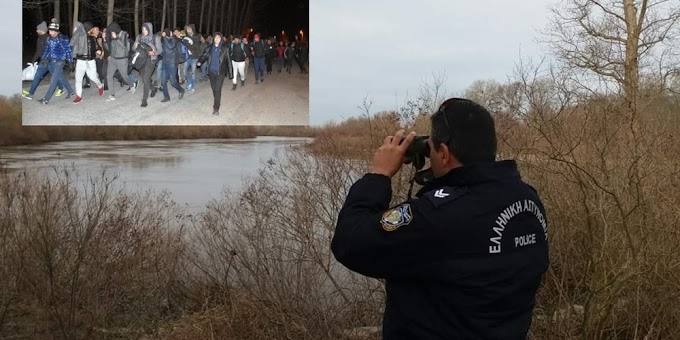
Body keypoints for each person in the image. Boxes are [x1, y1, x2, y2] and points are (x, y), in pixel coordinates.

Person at [332, 98, 549, 339]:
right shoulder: (527, 200)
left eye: (433, 148)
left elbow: (349, 242)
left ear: (444, 154)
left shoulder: (438, 215)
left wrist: (379, 174)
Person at [22, 20, 66, 100]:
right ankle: (30, 94)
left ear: (41, 30)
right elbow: (38, 51)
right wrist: (33, 61)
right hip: (43, 62)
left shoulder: (49, 38)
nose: (36, 31)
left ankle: (61, 88)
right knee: (37, 76)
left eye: (38, 29)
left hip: (50, 62)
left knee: (56, 76)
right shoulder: (39, 39)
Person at [37, 22, 75, 105]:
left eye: (51, 31)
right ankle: (71, 92)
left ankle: (46, 99)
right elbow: (48, 49)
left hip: (60, 61)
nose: (49, 32)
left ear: (55, 31)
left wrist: (70, 62)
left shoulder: (63, 39)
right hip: (52, 61)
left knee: (54, 80)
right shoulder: (50, 38)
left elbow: (68, 51)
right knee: (61, 77)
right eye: (49, 30)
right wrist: (44, 59)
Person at [197, 32, 233, 115]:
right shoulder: (209, 48)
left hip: (220, 72)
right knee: (214, 88)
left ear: (221, 39)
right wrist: (199, 62)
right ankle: (217, 98)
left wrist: (231, 73)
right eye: (215, 37)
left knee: (217, 89)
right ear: (213, 39)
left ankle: (216, 108)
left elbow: (229, 61)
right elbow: (204, 56)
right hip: (211, 72)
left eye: (219, 37)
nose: (217, 39)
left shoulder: (225, 48)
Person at [70, 21, 104, 104]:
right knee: (78, 78)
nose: (92, 29)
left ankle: (100, 86)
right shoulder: (79, 36)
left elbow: (96, 46)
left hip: (90, 61)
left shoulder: (92, 38)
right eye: (91, 28)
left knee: (93, 77)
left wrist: (98, 50)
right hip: (80, 60)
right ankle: (79, 96)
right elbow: (73, 44)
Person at [132, 22, 163, 107]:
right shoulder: (139, 37)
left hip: (151, 60)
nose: (144, 31)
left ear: (150, 29)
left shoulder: (155, 38)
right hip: (141, 60)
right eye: (143, 29)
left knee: (146, 78)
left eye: (146, 29)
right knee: (145, 78)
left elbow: (160, 50)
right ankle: (153, 89)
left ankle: (144, 100)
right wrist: (135, 45)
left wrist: (154, 52)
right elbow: (133, 48)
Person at [104, 21, 134, 101]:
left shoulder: (123, 34)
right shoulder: (111, 35)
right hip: (113, 59)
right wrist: (105, 40)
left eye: (111, 30)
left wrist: (116, 38)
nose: (111, 32)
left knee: (124, 76)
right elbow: (108, 48)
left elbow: (124, 47)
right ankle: (112, 94)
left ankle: (132, 85)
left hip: (122, 59)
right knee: (109, 76)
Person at [159, 28, 185, 102]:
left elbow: (170, 47)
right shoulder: (164, 41)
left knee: (173, 82)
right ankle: (166, 97)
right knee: (163, 81)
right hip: (165, 63)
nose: (163, 34)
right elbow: (163, 52)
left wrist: (165, 37)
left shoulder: (174, 40)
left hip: (172, 64)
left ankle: (181, 90)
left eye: (164, 33)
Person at [181, 24, 201, 92]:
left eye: (189, 29)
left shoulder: (197, 36)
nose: (188, 30)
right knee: (184, 71)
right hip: (187, 57)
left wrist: (190, 45)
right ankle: (190, 82)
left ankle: (193, 86)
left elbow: (197, 46)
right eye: (187, 29)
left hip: (194, 57)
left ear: (192, 29)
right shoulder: (186, 37)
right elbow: (184, 45)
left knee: (193, 72)